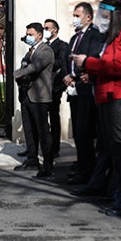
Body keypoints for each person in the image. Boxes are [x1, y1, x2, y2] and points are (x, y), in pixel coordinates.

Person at [72, 0, 121, 217]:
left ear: (114, 14)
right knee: (115, 150)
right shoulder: (114, 35)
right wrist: (92, 71)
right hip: (108, 96)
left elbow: (119, 66)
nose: (101, 18)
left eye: (104, 13)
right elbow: (110, 65)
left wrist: (88, 62)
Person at [63, 2, 106, 185]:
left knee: (85, 131)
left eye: (77, 15)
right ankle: (82, 166)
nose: (74, 18)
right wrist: (67, 75)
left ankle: (87, 170)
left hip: (87, 87)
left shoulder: (95, 36)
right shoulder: (75, 38)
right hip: (74, 89)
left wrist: (84, 74)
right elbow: (68, 59)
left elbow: (94, 57)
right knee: (79, 132)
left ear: (88, 17)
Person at [13, 22, 54, 178]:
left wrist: (18, 73)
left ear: (39, 35)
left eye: (31, 34)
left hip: (39, 97)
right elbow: (26, 65)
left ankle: (48, 165)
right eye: (27, 34)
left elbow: (35, 67)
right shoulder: (29, 52)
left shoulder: (46, 51)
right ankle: (32, 160)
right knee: (29, 131)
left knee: (43, 132)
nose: (28, 37)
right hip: (26, 96)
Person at [43, 19, 69, 159]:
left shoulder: (62, 45)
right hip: (42, 86)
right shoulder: (43, 45)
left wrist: (44, 61)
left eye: (47, 28)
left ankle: (55, 148)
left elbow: (61, 62)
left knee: (53, 117)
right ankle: (43, 147)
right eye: (44, 28)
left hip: (54, 86)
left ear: (55, 30)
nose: (45, 30)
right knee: (42, 118)